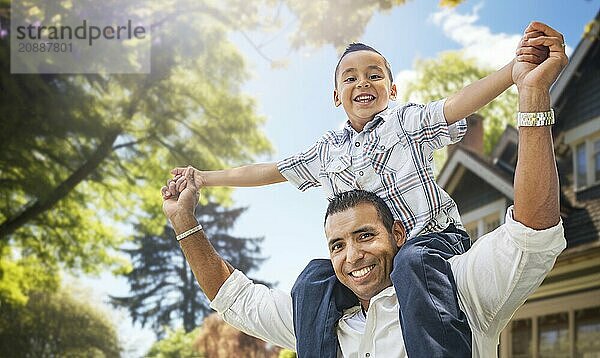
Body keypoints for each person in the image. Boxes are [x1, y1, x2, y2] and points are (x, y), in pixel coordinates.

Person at [161, 20, 569, 358]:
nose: (364, 83)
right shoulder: (326, 150)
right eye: (351, 77)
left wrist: (516, 75)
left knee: (410, 262)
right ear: (336, 96)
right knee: (313, 280)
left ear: (392, 90)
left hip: (432, 247)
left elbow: (460, 102)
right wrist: (205, 178)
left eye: (376, 75)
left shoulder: (406, 122)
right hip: (393, 259)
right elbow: (265, 171)